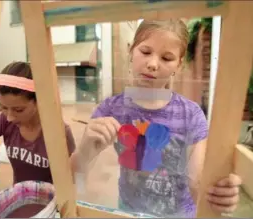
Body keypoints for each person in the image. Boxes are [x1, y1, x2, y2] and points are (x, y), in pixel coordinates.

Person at [77, 20, 242, 217]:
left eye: (166, 58)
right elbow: (76, 177)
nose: (153, 64)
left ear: (178, 65)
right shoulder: (111, 109)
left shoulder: (191, 115)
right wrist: (84, 150)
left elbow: (197, 182)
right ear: (131, 52)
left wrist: (218, 195)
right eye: (146, 52)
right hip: (128, 214)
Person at [0, 61, 84, 217]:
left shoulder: (58, 133)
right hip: (18, 205)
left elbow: (74, 179)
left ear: (38, 101)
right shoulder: (3, 122)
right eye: (3, 107)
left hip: (50, 210)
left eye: (18, 110)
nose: (9, 117)